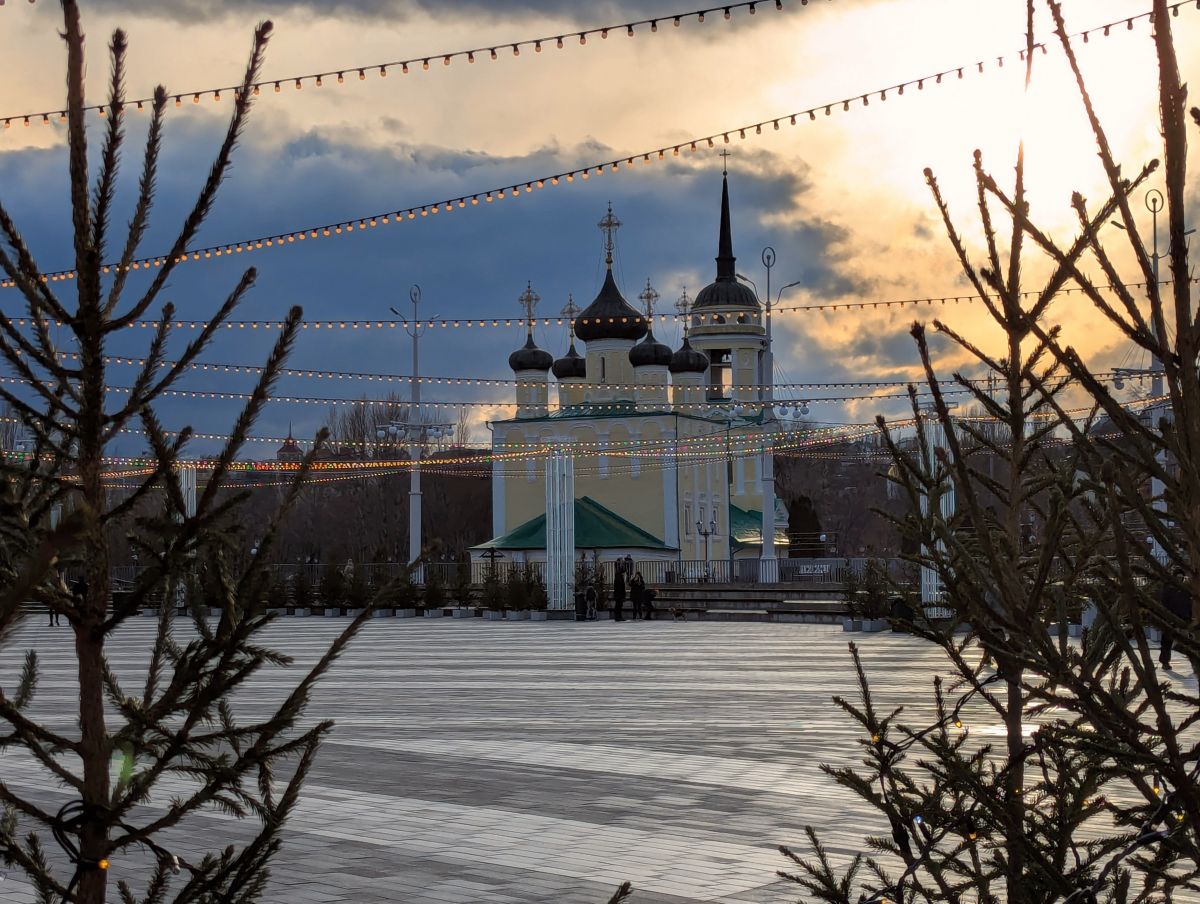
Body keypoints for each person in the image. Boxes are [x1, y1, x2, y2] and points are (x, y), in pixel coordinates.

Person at [1159, 570, 1192, 670]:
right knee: (1166, 641)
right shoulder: (1168, 589)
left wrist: (1189, 616)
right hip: (1170, 618)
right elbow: (1164, 603)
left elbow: (1188, 604)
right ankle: (1165, 661)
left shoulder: (1185, 590)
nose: (1179, 579)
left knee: (1186, 639)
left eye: (1181, 577)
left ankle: (1191, 658)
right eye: (1177, 577)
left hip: (1183, 617)